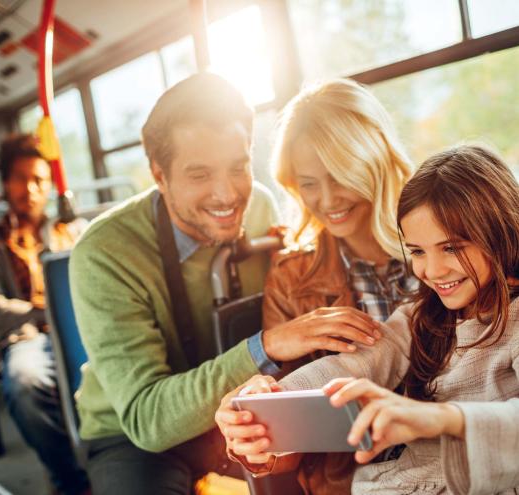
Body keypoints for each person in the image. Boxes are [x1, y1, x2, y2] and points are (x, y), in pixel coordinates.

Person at [68, 73, 377, 495]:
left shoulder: (260, 207)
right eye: (199, 175)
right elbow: (148, 421)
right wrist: (265, 346)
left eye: (238, 167)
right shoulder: (104, 252)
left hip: (238, 404)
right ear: (160, 175)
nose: (227, 194)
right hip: (135, 437)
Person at [218, 145, 519, 494]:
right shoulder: (417, 316)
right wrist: (270, 399)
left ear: (499, 232)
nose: (433, 271)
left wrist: (437, 419)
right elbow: (353, 366)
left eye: (452, 247)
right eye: (418, 251)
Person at [219, 78, 417, 492]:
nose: (327, 200)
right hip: (358, 480)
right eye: (308, 183)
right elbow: (298, 440)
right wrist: (259, 435)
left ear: (375, 160)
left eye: (340, 176)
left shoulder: (446, 239)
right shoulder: (292, 279)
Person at [0, 134, 89, 495]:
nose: (30, 188)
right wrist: (45, 312)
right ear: (5, 183)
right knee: (26, 383)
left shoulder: (74, 232)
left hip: (83, 329)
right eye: (20, 178)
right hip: (28, 337)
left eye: (39, 179)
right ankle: (70, 479)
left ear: (50, 186)